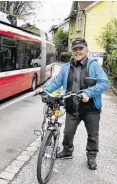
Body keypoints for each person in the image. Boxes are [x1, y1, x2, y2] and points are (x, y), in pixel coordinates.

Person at [41, 37, 109, 170]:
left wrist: (89, 93)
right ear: (72, 51)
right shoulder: (66, 67)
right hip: (72, 107)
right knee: (68, 133)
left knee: (93, 134)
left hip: (91, 108)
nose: (78, 51)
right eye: (75, 49)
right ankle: (67, 151)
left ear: (86, 49)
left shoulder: (94, 66)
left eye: (81, 48)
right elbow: (56, 82)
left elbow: (104, 83)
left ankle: (91, 155)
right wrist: (45, 90)